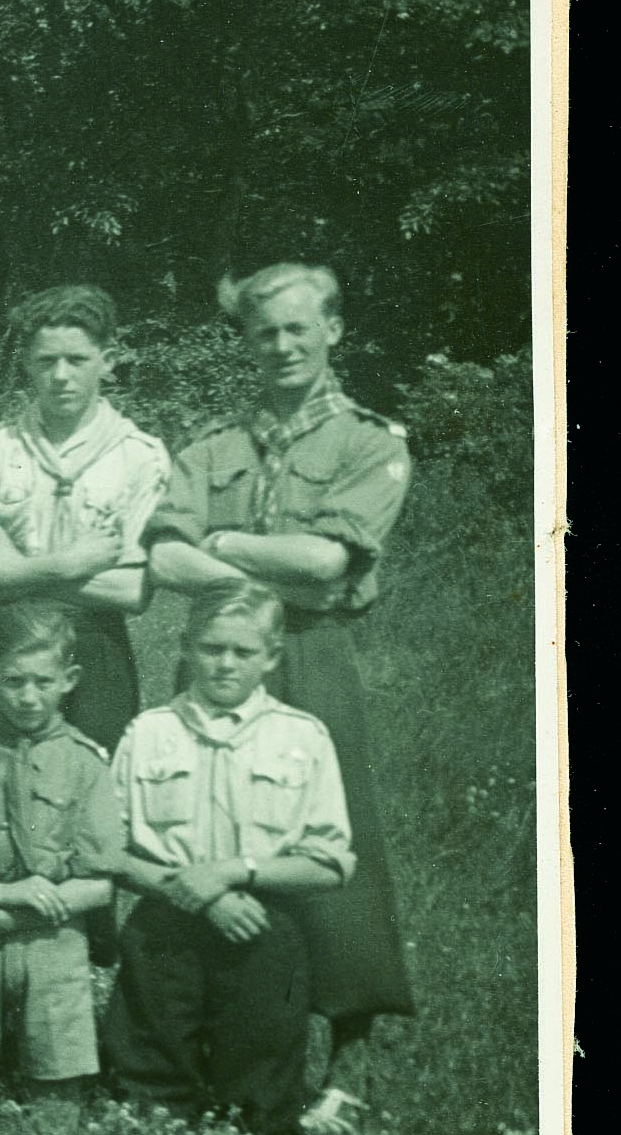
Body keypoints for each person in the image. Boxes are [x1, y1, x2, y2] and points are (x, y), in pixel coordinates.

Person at [140, 261, 415, 1067]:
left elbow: (329, 558)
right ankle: (213, 1034)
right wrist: (264, 566)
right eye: (266, 333)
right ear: (247, 344)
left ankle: (348, 1048)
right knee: (202, 818)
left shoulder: (370, 441)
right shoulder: (213, 446)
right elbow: (164, 560)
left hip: (309, 652)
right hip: (217, 653)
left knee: (328, 827)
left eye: (300, 328)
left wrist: (220, 546)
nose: (284, 346)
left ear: (333, 329)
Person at [104, 586, 358, 1135]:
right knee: (151, 1070)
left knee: (262, 1074)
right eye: (212, 648)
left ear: (271, 657)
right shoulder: (149, 733)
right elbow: (109, 852)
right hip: (166, 912)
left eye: (243, 653)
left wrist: (233, 874)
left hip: (261, 916)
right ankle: (160, 1119)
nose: (225, 664)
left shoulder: (302, 737)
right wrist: (199, 893)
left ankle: (252, 1121)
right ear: (185, 647)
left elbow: (331, 863)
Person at [0, 284, 166, 746]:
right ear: (26, 361)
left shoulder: (141, 456)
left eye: (77, 360)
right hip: (1, 647)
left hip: (95, 651)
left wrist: (13, 568)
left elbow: (130, 589)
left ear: (107, 359)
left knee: (89, 795)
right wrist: (69, 563)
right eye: (46, 361)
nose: (60, 376)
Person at [0, 602, 123, 1114]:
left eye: (43, 681)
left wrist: (1, 918)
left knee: (58, 1084)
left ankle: (51, 1117)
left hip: (51, 932)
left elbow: (100, 885)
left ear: (71, 679)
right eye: (14, 681)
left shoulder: (86, 762)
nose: (28, 696)